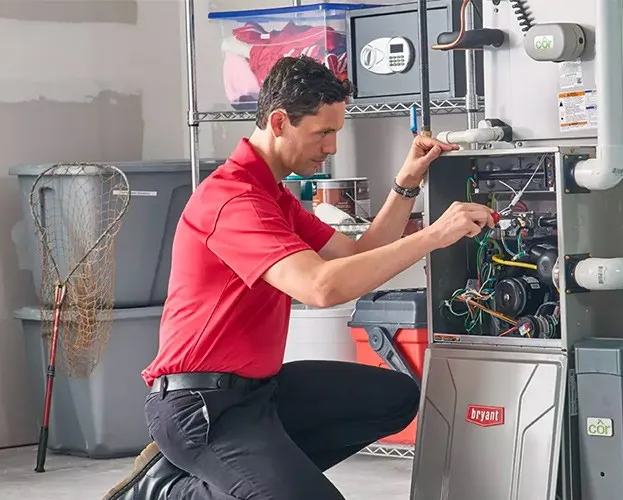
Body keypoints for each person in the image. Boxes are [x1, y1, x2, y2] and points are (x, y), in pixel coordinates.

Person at [104, 55, 497, 500]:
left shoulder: (272, 196)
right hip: (202, 408)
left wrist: (405, 184)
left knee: (395, 398)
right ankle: (166, 493)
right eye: (322, 133)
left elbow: (357, 255)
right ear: (278, 122)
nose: (331, 147)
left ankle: (238, 481)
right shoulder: (234, 201)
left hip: (260, 395)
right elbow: (321, 287)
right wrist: (434, 235)